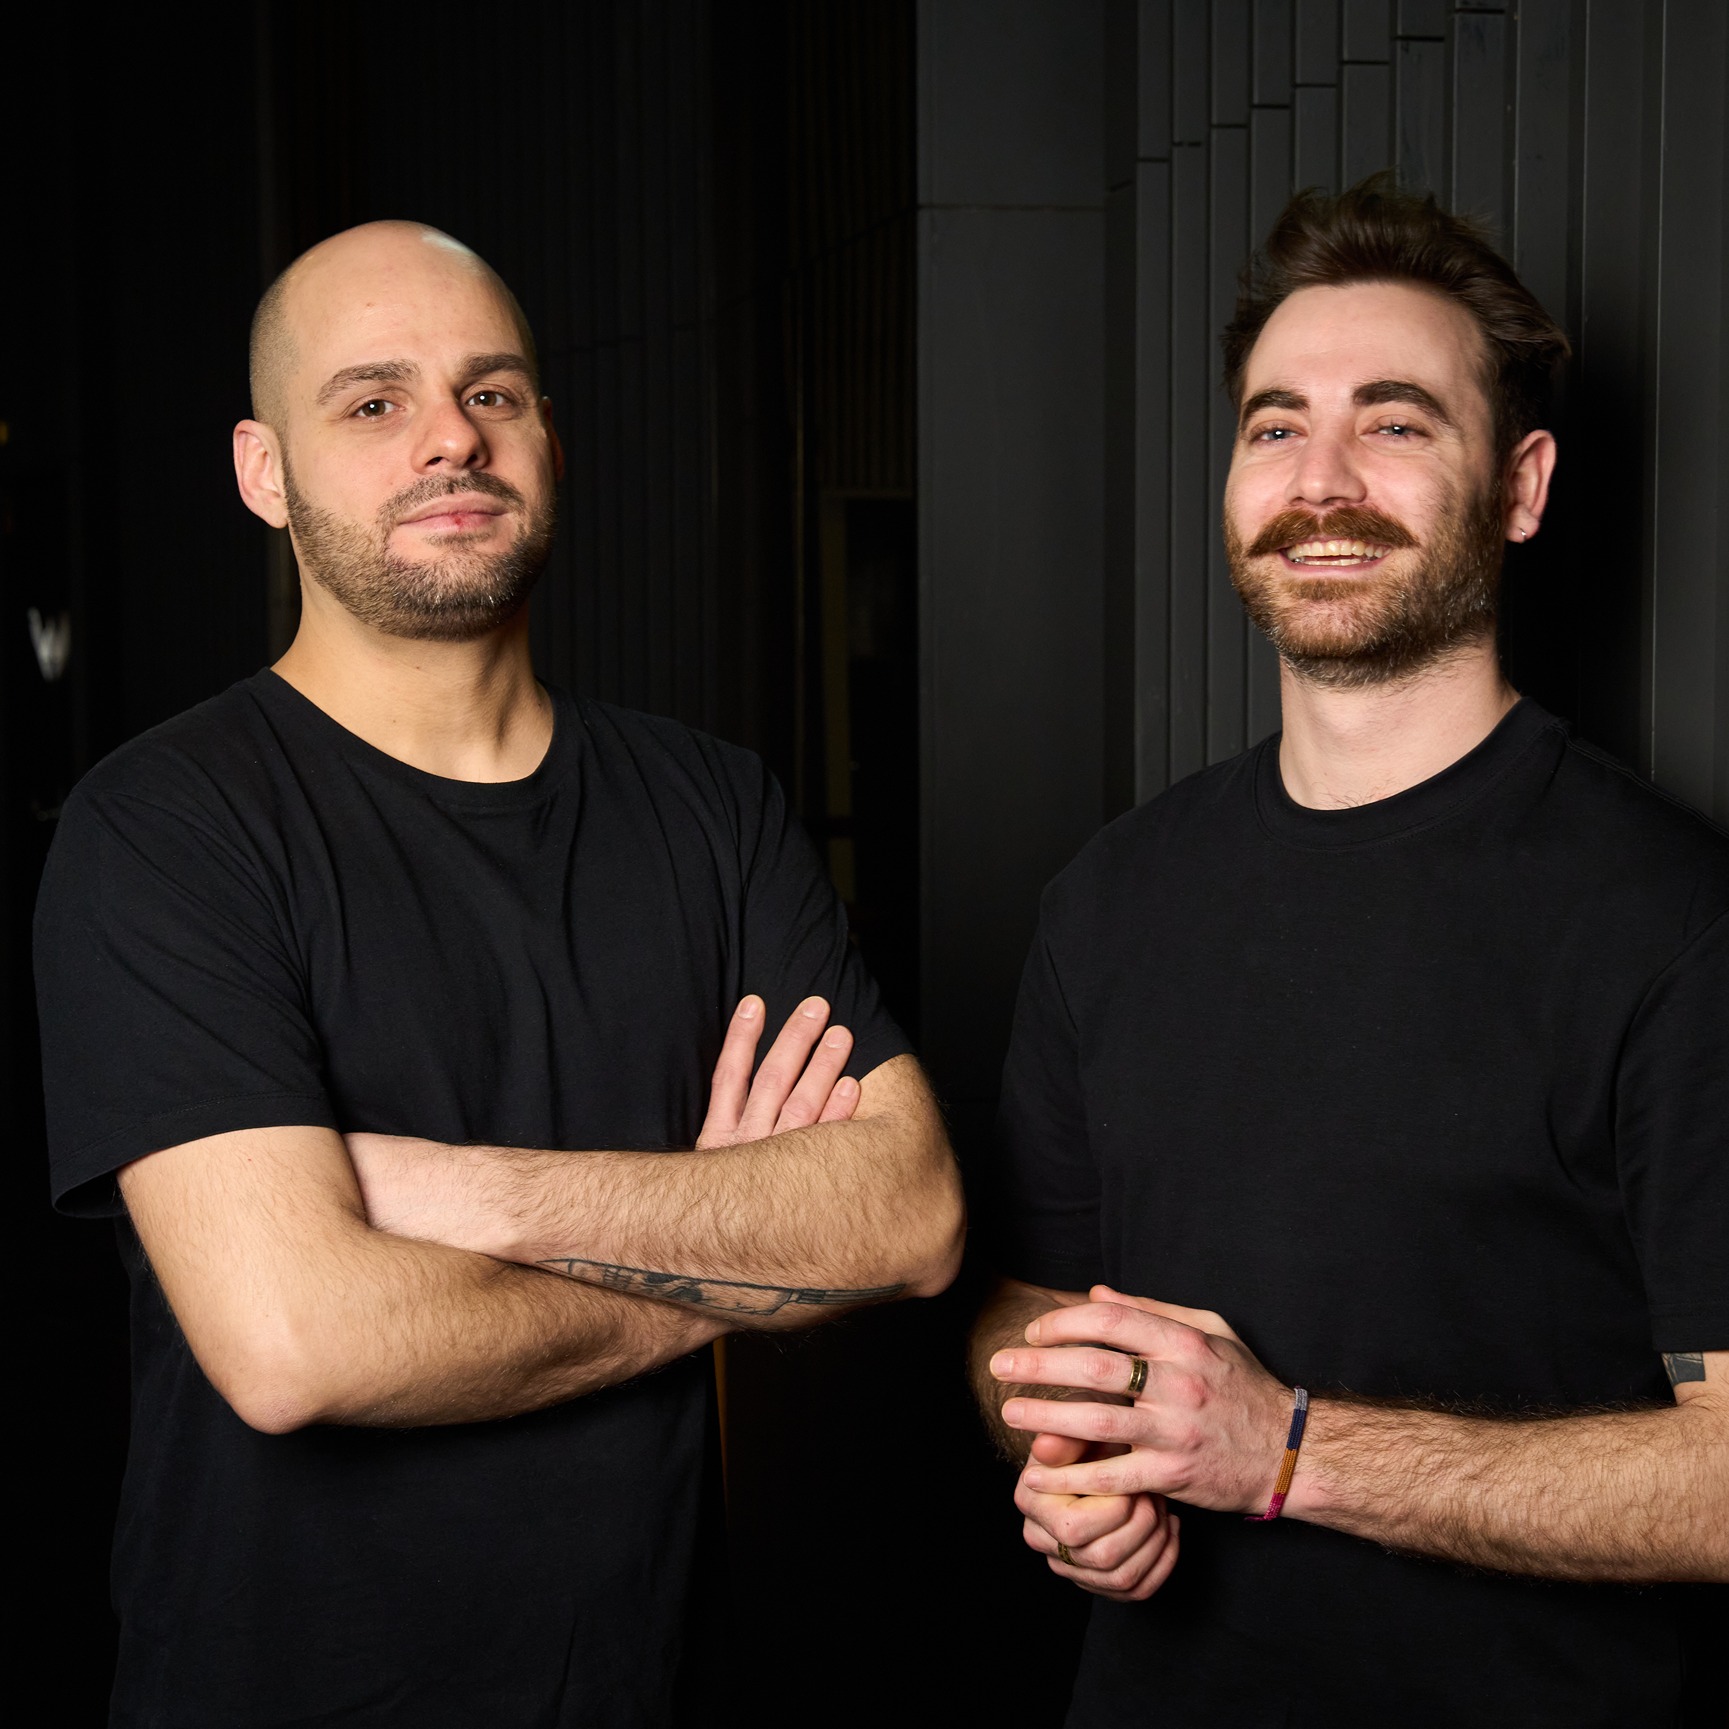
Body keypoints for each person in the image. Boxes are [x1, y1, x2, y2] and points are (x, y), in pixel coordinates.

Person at [34, 220, 962, 1728]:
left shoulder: (711, 805)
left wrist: (449, 1195)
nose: (451, 438)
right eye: (374, 400)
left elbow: (910, 1215)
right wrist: (733, 1268)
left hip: (650, 1682)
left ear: (546, 439)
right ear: (264, 472)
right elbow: (294, 1344)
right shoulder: (164, 828)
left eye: (494, 392)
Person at [970, 177, 1727, 1727]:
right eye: (1273, 426)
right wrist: (1065, 1449)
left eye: (1392, 422)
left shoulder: (1671, 918)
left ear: (1517, 486)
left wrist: (1289, 1452)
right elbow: (1023, 1314)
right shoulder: (1105, 900)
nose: (1319, 480)